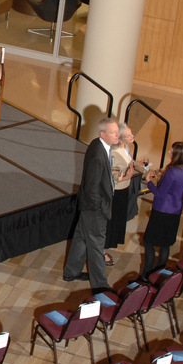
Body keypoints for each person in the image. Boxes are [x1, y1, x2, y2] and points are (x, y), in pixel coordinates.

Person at [63, 117, 118, 291]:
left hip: (90, 207)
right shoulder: (97, 155)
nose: (118, 135)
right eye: (114, 132)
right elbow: (91, 188)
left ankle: (71, 272)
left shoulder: (98, 145)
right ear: (103, 134)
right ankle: (100, 286)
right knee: (96, 246)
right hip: (95, 209)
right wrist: (98, 209)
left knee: (81, 238)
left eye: (117, 131)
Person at [141, 141, 183, 277]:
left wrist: (149, 182)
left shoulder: (172, 172)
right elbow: (175, 187)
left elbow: (160, 194)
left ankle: (146, 275)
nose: (169, 152)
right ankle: (159, 273)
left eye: (172, 151)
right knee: (165, 244)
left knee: (149, 242)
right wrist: (162, 178)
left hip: (162, 210)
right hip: (176, 209)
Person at [106, 124, 147, 266]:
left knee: (118, 219)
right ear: (121, 138)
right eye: (129, 135)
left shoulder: (126, 147)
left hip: (124, 190)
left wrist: (138, 163)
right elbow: (112, 176)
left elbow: (129, 160)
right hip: (116, 191)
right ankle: (102, 249)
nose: (132, 136)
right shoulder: (114, 152)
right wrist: (128, 176)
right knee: (111, 221)